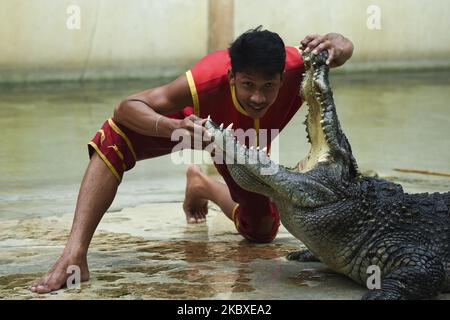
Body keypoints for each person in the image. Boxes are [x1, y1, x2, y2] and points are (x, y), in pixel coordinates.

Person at [30, 26, 354, 293]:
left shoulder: (298, 64)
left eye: (269, 87)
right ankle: (75, 255)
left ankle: (203, 185)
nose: (258, 97)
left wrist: (341, 43)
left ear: (283, 78)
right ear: (231, 77)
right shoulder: (207, 77)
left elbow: (342, 48)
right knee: (115, 134)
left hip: (243, 145)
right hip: (192, 125)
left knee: (261, 233)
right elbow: (126, 107)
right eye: (248, 85)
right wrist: (173, 126)